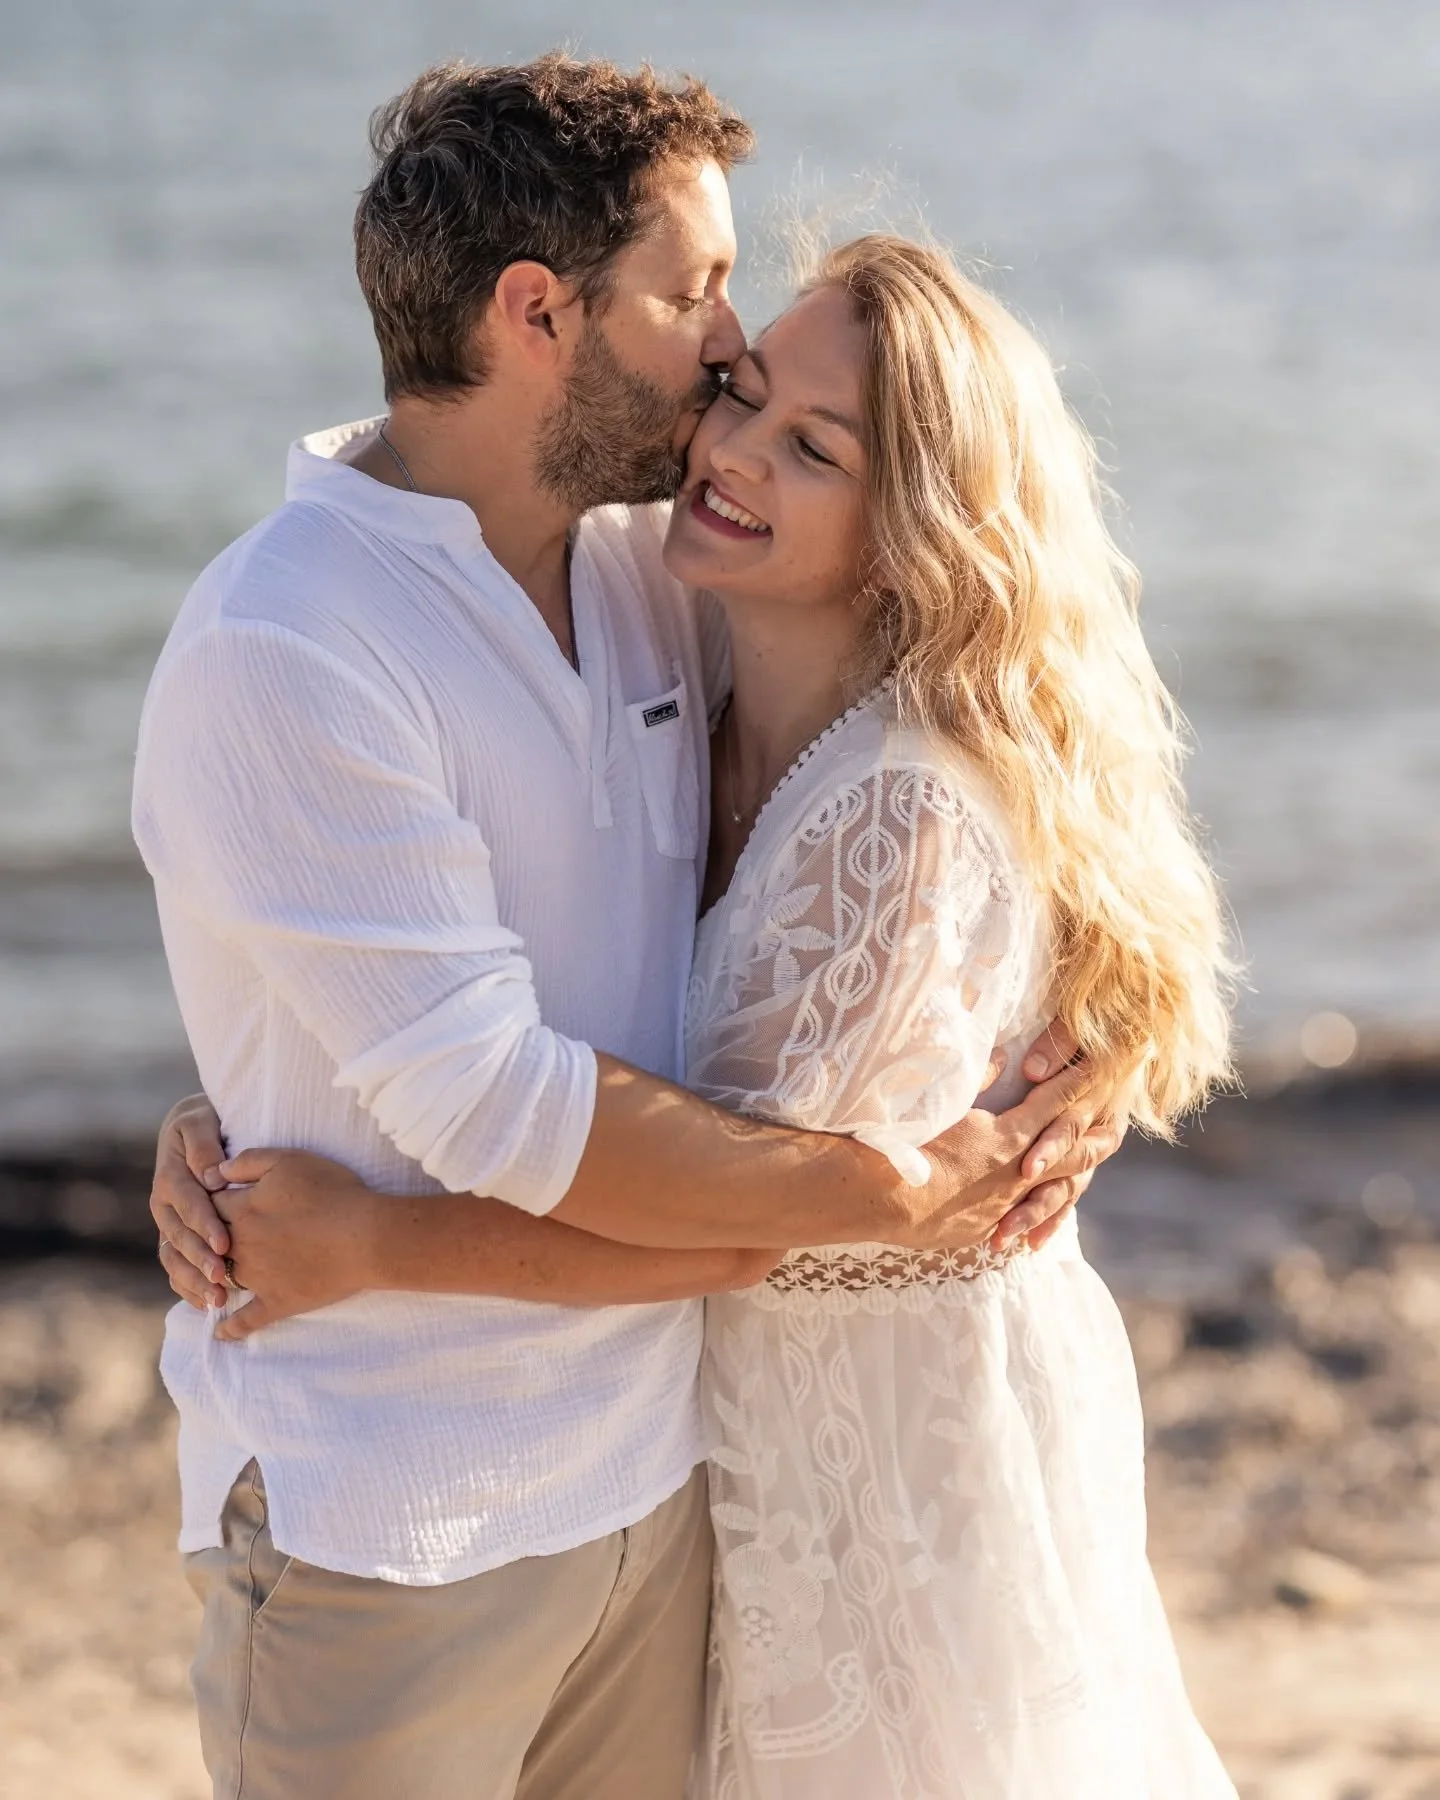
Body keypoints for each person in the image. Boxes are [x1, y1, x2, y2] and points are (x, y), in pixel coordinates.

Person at [139, 56, 1117, 1800]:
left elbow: (976, 696)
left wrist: (1081, 1034)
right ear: (539, 315)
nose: (731, 350)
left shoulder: (645, 569)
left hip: (666, 1493)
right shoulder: (287, 647)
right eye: (691, 293)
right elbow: (504, 1111)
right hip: (397, 1527)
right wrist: (893, 1192)